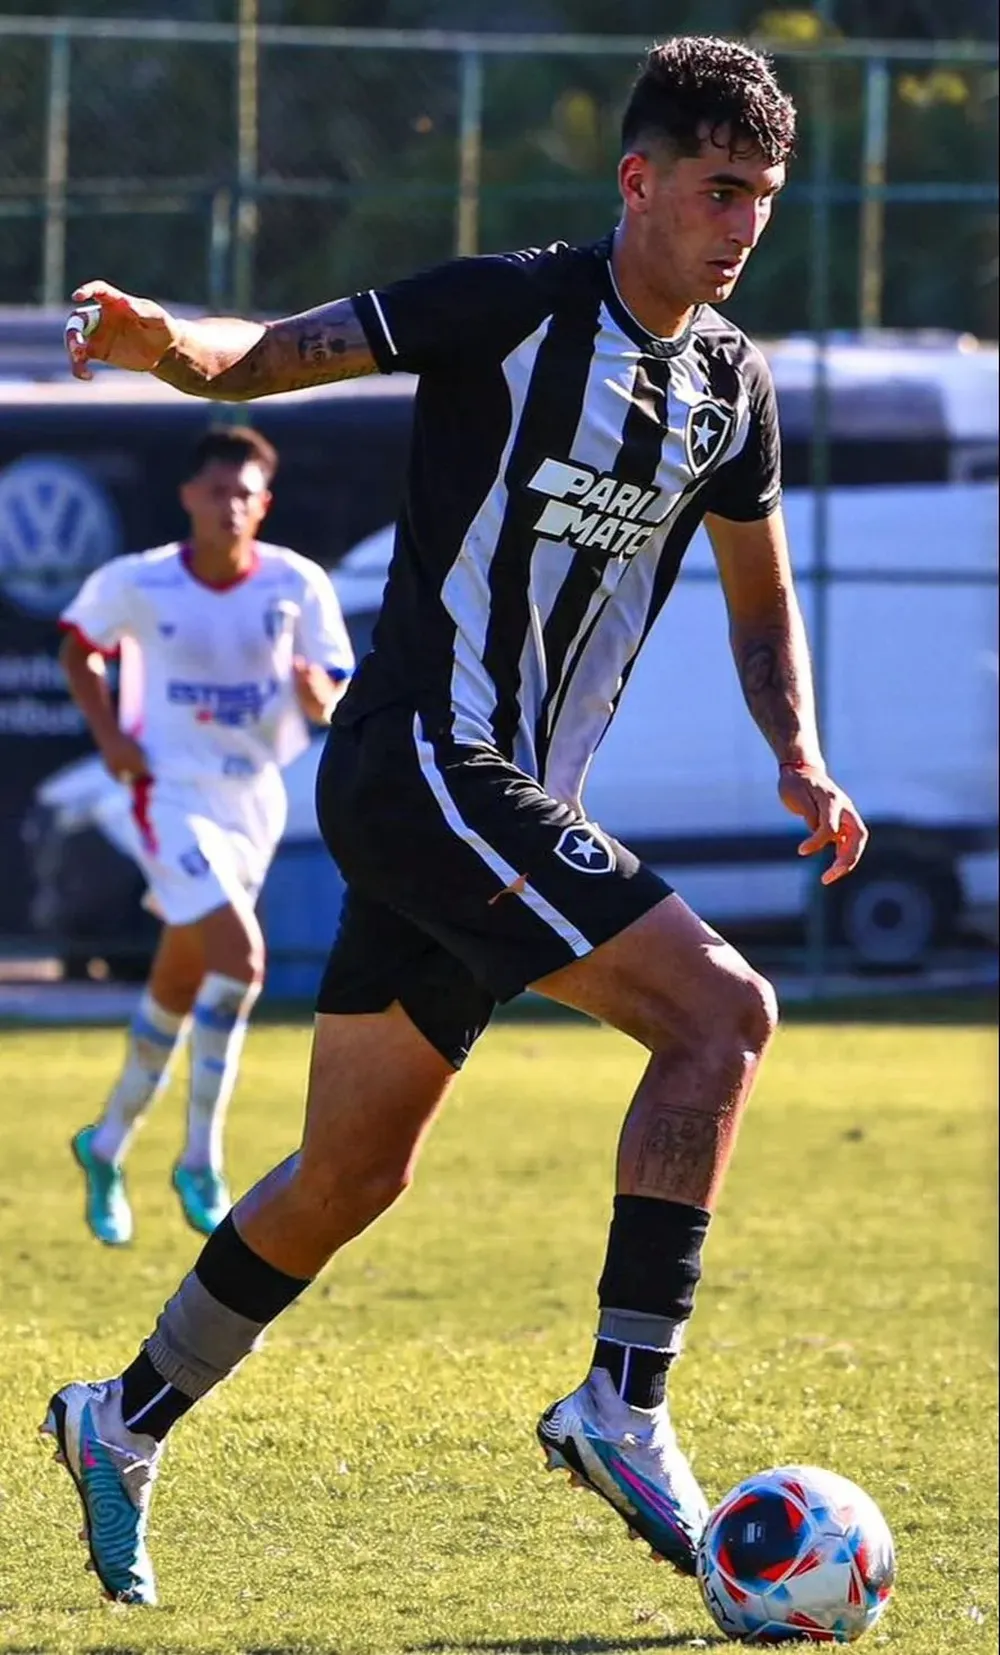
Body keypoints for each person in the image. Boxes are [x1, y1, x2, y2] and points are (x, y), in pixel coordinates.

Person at [43, 35, 868, 1607]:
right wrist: (167, 345)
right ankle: (623, 1399)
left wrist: (802, 755)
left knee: (351, 1173)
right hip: (425, 758)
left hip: (501, 805)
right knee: (723, 1015)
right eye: (716, 189)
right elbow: (265, 357)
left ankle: (121, 1415)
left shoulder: (730, 386)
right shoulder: (509, 304)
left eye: (760, 196)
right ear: (639, 182)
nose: (741, 222)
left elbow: (763, 608)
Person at [57, 424, 355, 1244]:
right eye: (216, 490)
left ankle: (105, 1142)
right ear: (190, 496)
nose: (229, 506)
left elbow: (334, 675)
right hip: (168, 792)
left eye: (245, 494)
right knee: (242, 959)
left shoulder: (295, 582)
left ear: (265, 505)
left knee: (184, 980)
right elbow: (80, 646)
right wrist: (112, 737)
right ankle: (200, 1156)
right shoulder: (143, 581)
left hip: (253, 799)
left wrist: (318, 693)